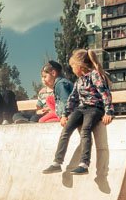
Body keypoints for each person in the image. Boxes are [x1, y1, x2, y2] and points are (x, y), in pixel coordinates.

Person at [42, 48, 115, 176]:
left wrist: (108, 112)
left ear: (80, 66)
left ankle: (84, 164)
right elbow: (72, 99)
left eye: (73, 67)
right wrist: (65, 115)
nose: (72, 70)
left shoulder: (95, 75)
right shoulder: (79, 81)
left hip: (95, 108)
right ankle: (57, 163)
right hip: (81, 108)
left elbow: (105, 93)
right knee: (66, 130)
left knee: (85, 130)